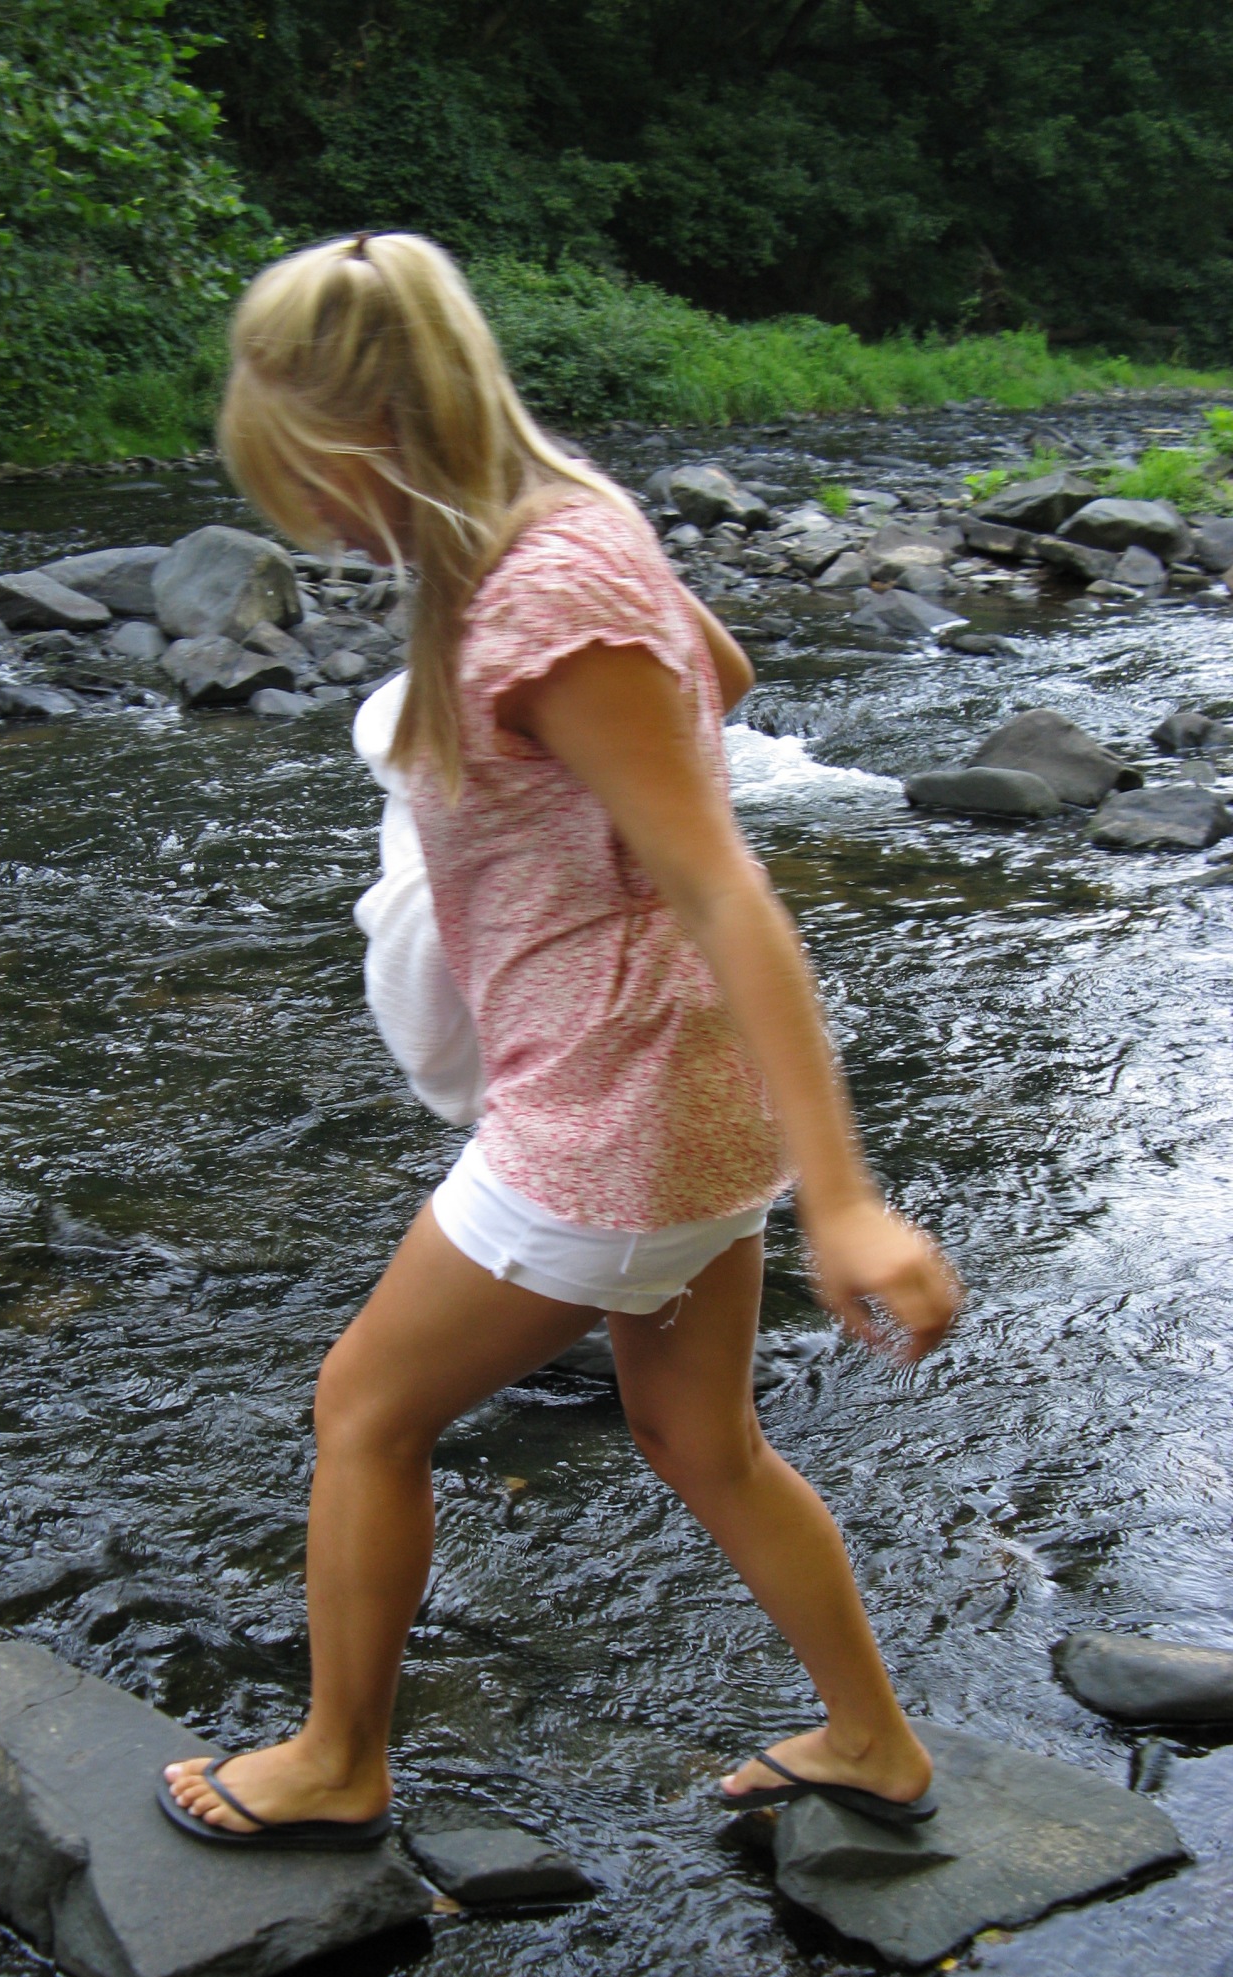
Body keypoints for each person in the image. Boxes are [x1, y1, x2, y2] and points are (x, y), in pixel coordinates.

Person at [160, 231, 962, 1849]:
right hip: (680, 1087)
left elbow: (725, 888)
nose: (314, 527)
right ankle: (873, 1741)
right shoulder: (569, 514)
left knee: (365, 1410)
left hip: (612, 1112)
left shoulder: (545, 601)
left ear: (371, 434)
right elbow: (718, 670)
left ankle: (336, 1761)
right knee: (700, 1438)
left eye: (306, 482)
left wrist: (847, 1200)